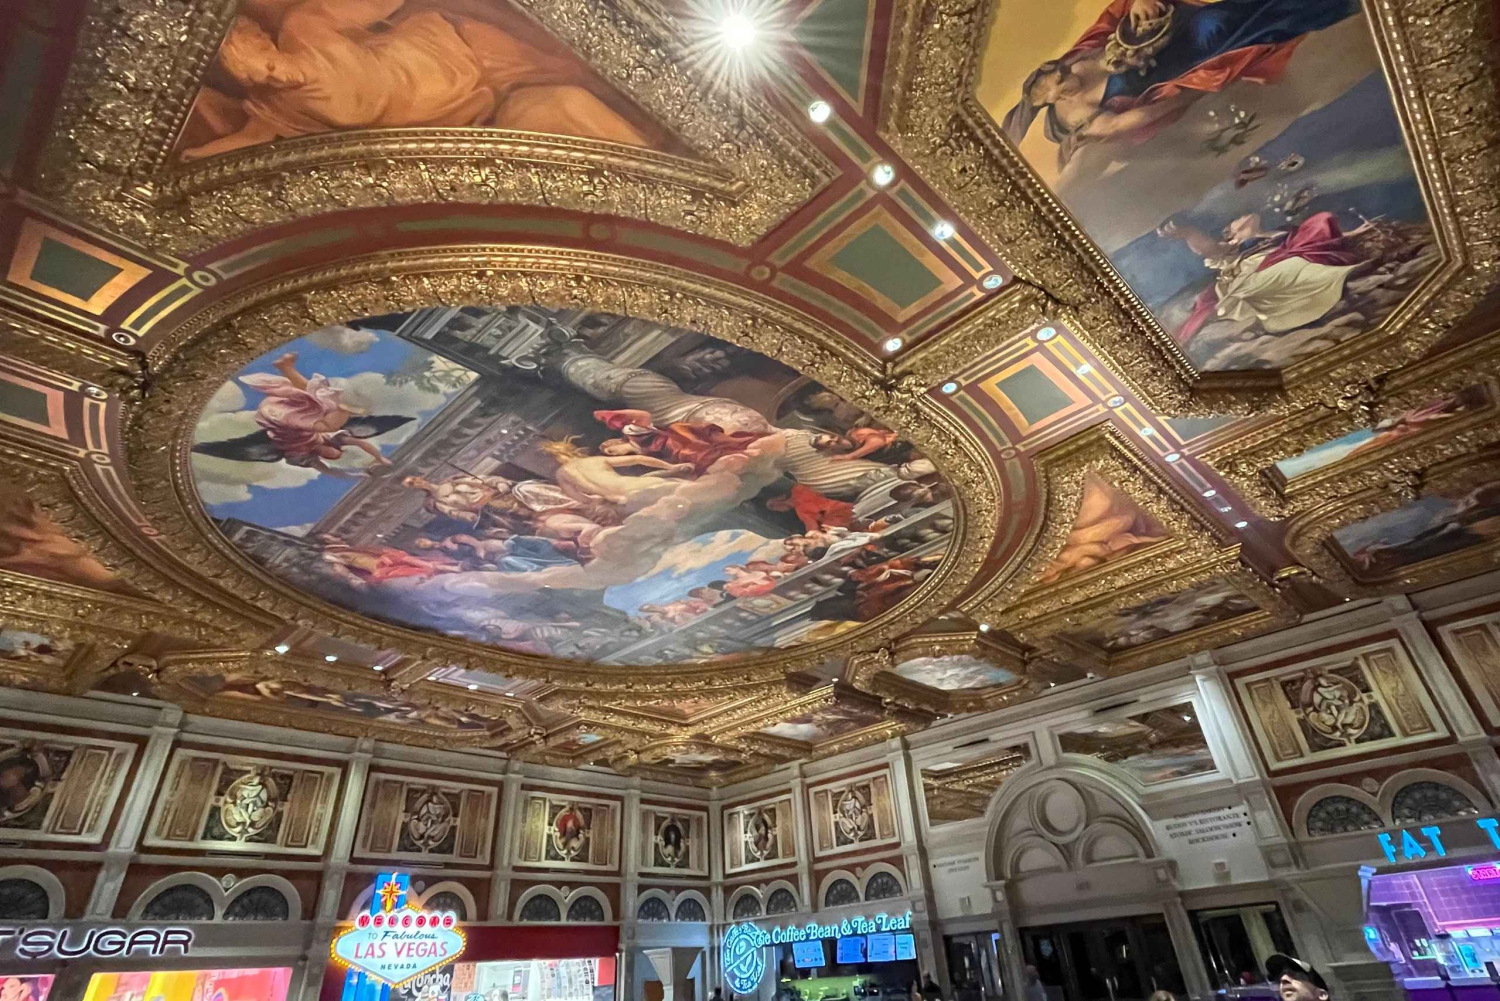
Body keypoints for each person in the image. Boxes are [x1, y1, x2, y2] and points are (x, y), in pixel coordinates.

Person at [1002, 0, 1362, 165]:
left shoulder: (1071, 62)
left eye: (1059, 74)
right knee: (1228, 24)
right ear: (1048, 102)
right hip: (1184, 61)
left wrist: (1138, 3)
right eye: (1060, 87)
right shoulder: (1082, 119)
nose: (1066, 79)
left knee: (1227, 13)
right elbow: (1137, 119)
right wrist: (1192, 93)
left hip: (1172, 26)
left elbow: (1108, 23)